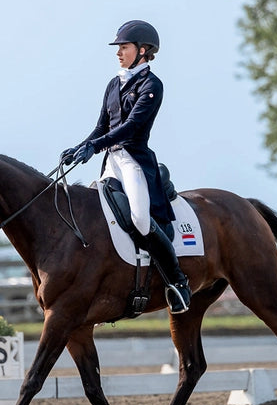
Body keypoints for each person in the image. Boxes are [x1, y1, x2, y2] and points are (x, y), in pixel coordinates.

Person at [61, 19, 191, 313]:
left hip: (134, 161)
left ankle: (177, 281)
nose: (118, 52)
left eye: (124, 47)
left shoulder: (152, 85)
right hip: (111, 162)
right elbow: (101, 126)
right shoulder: (114, 84)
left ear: (142, 50)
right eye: (118, 48)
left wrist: (95, 146)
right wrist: (81, 146)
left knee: (141, 220)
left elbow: (131, 127)